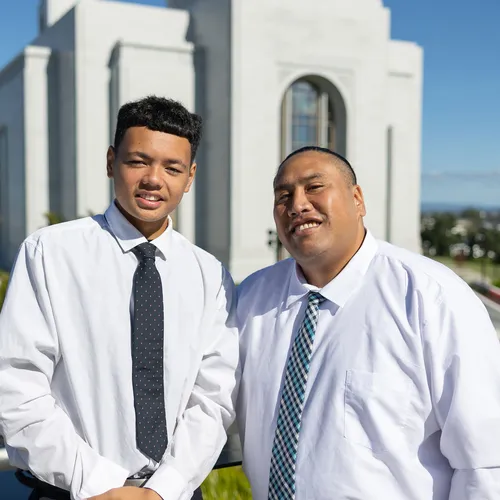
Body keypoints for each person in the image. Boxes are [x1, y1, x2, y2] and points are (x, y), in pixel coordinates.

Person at [0, 96, 239, 500]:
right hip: (73, 490)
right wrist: (100, 484)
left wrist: (162, 489)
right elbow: (16, 382)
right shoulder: (50, 252)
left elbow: (214, 398)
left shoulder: (210, 275)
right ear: (111, 162)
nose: (153, 178)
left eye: (172, 167)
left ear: (190, 175)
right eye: (138, 161)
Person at [236, 146, 500, 499]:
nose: (297, 204)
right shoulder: (252, 299)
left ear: (357, 200)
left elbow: (484, 463)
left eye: (314, 187)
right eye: (283, 195)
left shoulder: (430, 296)